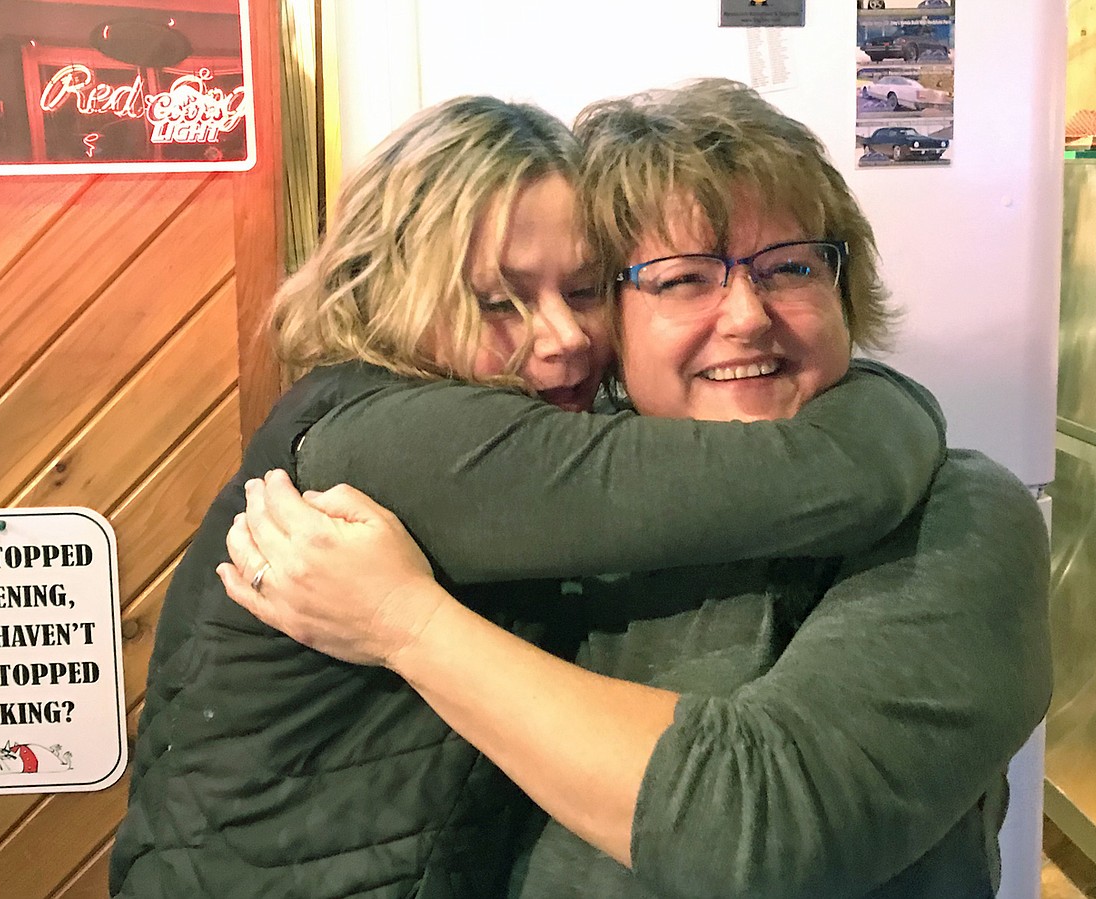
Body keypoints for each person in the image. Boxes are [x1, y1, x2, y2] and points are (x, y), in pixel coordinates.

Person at [219, 79, 1051, 898]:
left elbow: (767, 828)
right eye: (687, 277)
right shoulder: (548, 492)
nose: (748, 317)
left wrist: (405, 623)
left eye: (791, 266)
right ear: (611, 321)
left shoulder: (961, 518)